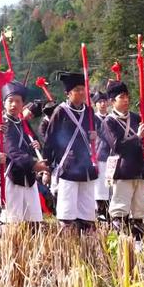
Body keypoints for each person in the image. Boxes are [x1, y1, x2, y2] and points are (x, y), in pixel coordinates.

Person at [42, 72, 98, 233]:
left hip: (86, 166)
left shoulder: (89, 111)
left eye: (83, 89)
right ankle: (68, 243)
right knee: (67, 211)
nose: (81, 92)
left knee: (87, 211)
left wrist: (93, 135)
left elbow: (93, 132)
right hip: (68, 166)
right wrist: (47, 166)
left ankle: (87, 243)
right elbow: (50, 139)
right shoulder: (60, 111)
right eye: (77, 89)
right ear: (68, 93)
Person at [103, 80, 144, 242]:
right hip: (122, 170)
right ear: (112, 101)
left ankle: (138, 244)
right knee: (120, 210)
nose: (126, 100)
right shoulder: (108, 121)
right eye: (121, 97)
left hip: (139, 168)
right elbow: (117, 146)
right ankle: (121, 244)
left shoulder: (136, 117)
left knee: (139, 210)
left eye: (127, 96)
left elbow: (143, 141)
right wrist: (137, 137)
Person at [0, 80, 47, 227]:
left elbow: (28, 145)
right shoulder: (3, 124)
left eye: (18, 101)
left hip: (28, 177)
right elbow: (12, 151)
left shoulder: (22, 123)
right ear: (4, 103)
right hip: (13, 176)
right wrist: (34, 164)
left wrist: (35, 146)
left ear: (22, 104)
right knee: (13, 222)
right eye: (10, 101)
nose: (14, 105)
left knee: (34, 221)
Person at [92, 89, 112, 220]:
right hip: (99, 156)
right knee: (99, 188)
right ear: (96, 104)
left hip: (112, 156)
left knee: (111, 189)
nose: (103, 104)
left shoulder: (112, 118)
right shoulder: (92, 118)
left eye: (104, 101)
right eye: (100, 102)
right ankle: (100, 212)